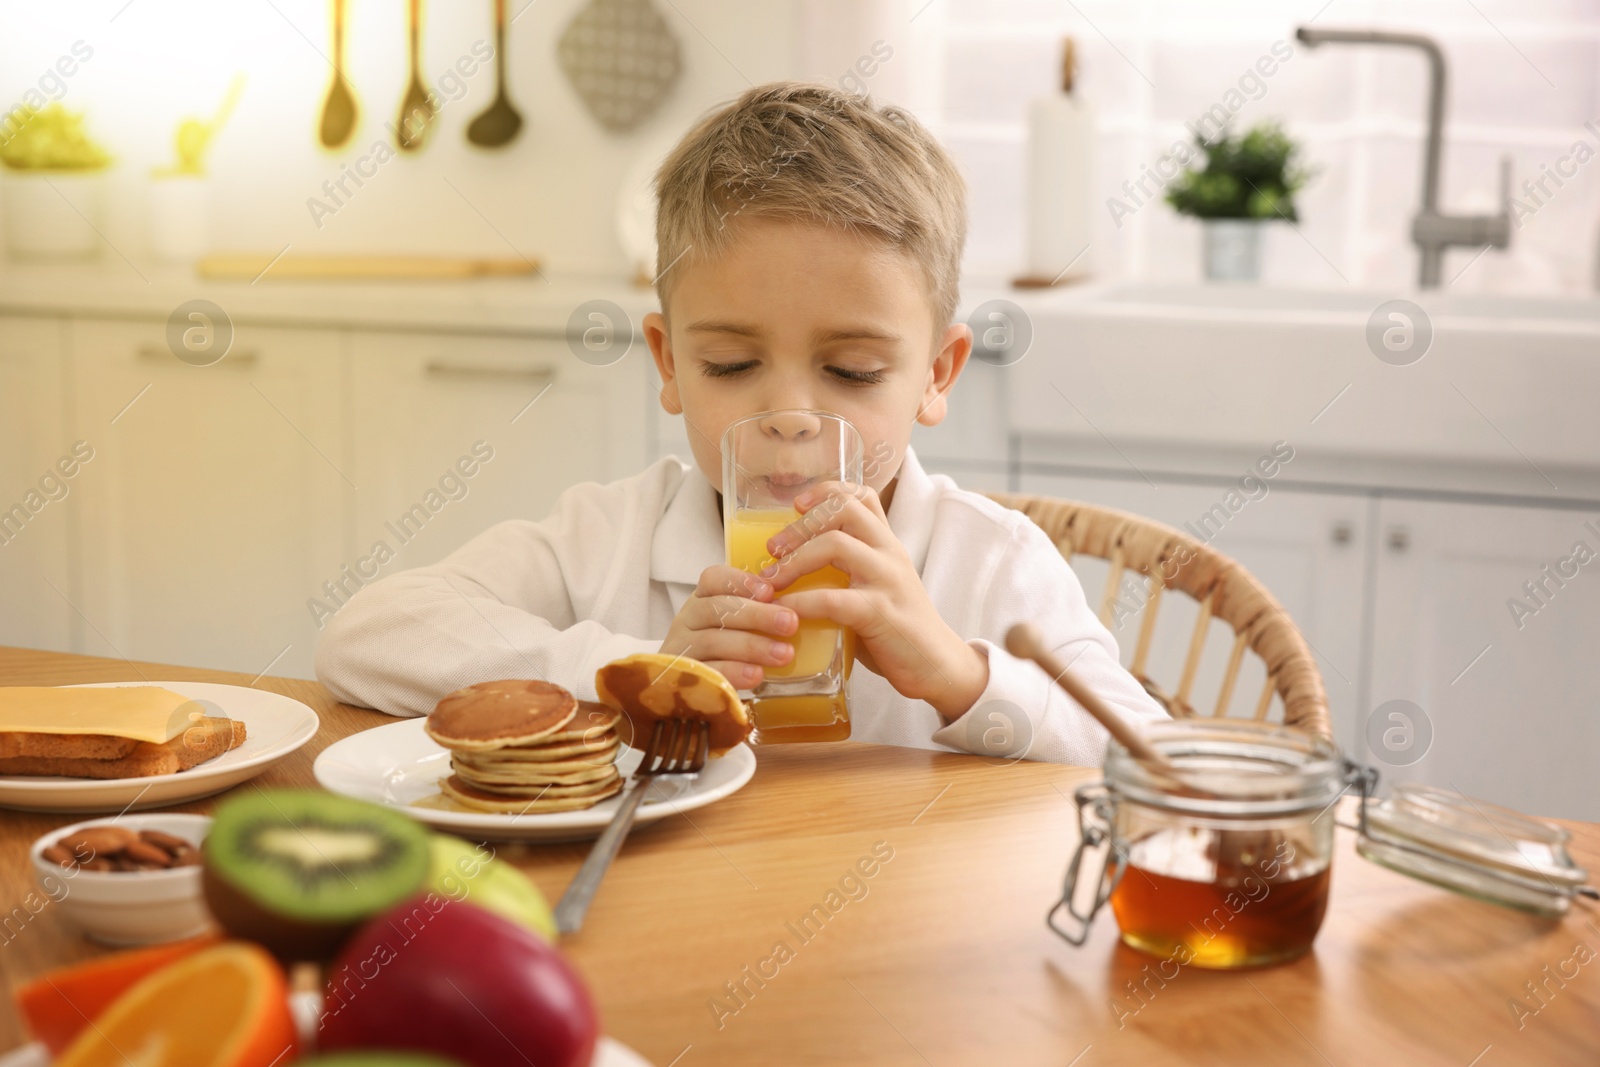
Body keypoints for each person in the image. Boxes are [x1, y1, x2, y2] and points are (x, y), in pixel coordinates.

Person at [316, 81, 1167, 764]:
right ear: (671, 364)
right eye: (730, 364)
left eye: (852, 371)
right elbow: (367, 636)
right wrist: (630, 671)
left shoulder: (989, 561)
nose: (789, 418)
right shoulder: (610, 537)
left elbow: (1151, 756)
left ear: (935, 374)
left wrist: (958, 675)